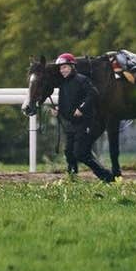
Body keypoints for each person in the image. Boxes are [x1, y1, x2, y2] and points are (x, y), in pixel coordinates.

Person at [54, 53, 114, 183]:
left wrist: (82, 108)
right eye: (60, 68)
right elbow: (64, 103)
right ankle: (72, 178)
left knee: (80, 153)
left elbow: (93, 94)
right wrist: (59, 111)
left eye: (64, 67)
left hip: (85, 123)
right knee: (68, 152)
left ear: (72, 66)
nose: (62, 70)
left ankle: (107, 177)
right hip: (71, 124)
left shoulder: (82, 80)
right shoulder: (63, 84)